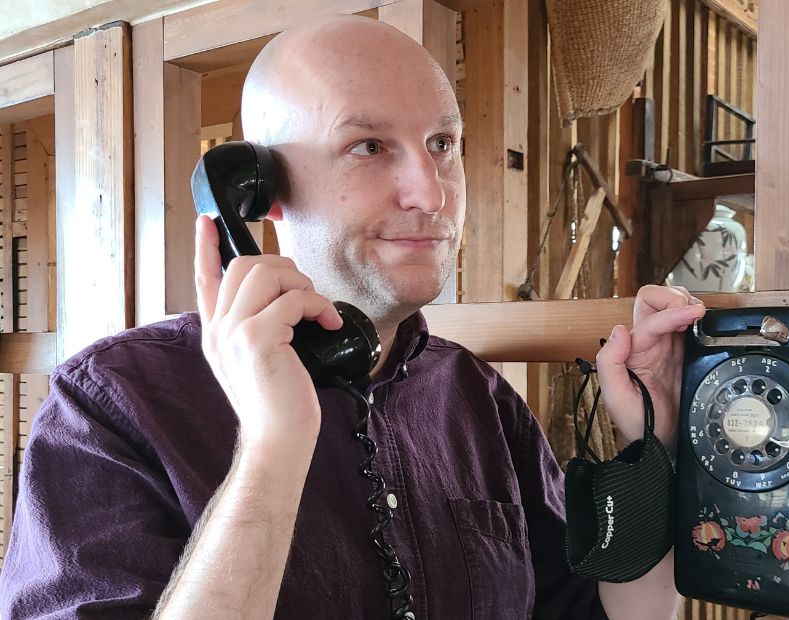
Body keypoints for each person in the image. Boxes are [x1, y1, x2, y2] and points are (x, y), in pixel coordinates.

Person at [0, 14, 705, 620]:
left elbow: (598, 613)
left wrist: (662, 444)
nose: (429, 192)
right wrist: (274, 445)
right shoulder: (111, 405)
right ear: (258, 194)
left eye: (442, 144)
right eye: (368, 146)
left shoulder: (482, 401)